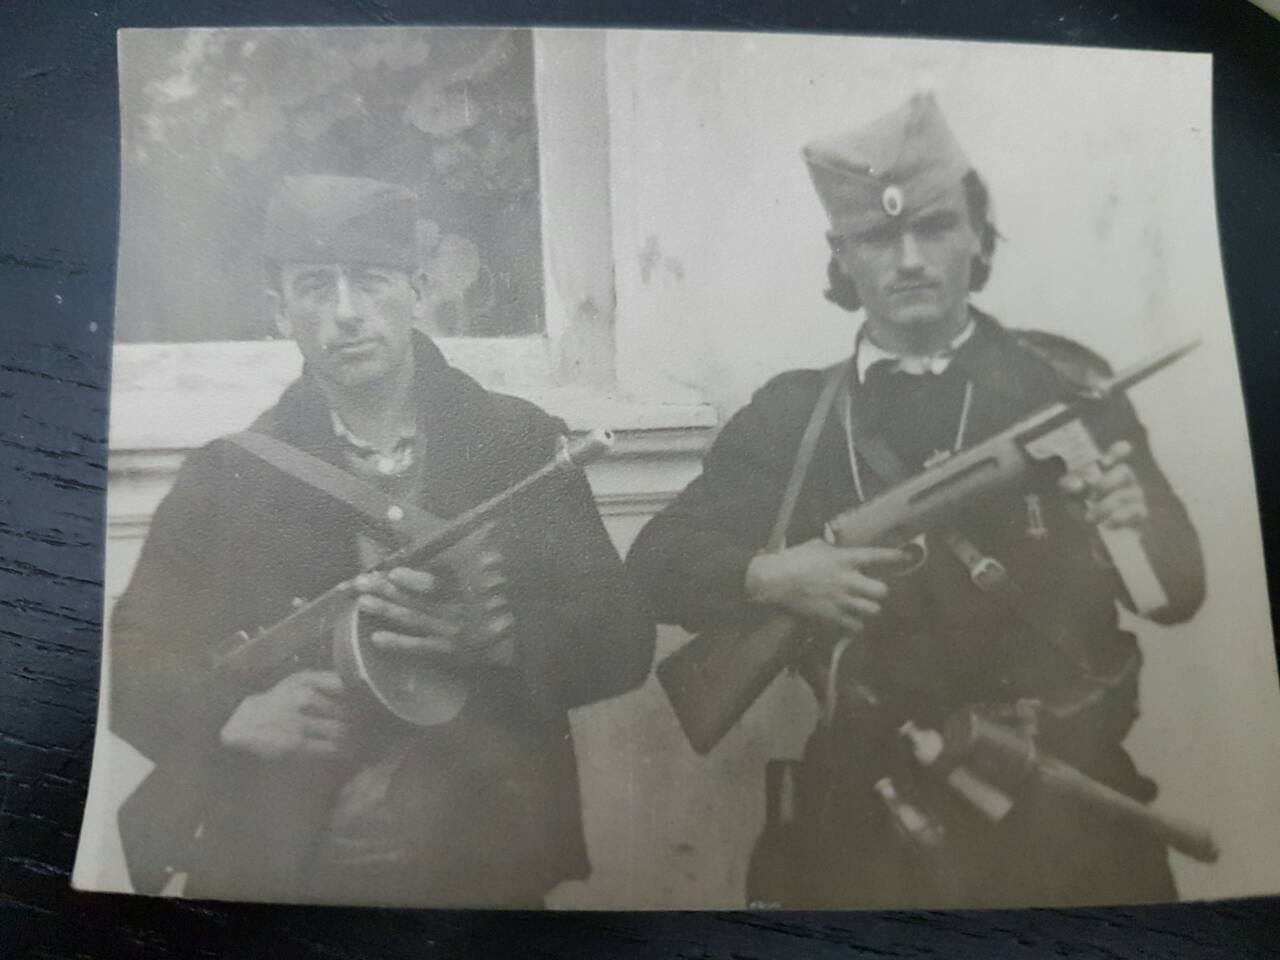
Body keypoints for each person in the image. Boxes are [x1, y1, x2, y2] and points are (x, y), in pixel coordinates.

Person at [626, 94, 1205, 908]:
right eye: (877, 237)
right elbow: (653, 564)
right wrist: (770, 577)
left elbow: (1175, 595)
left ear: (978, 235)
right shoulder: (794, 418)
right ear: (843, 259)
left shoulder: (1063, 388)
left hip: (1065, 815)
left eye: (934, 228)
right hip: (872, 828)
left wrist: (1127, 530)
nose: (909, 260)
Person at [110, 175, 655, 907]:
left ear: (419, 291)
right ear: (280, 310)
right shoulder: (227, 475)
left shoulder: (518, 442)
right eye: (314, 286)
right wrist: (228, 717)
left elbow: (623, 637)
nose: (345, 313)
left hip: (481, 849)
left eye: (370, 281)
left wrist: (496, 637)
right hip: (286, 862)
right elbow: (133, 654)